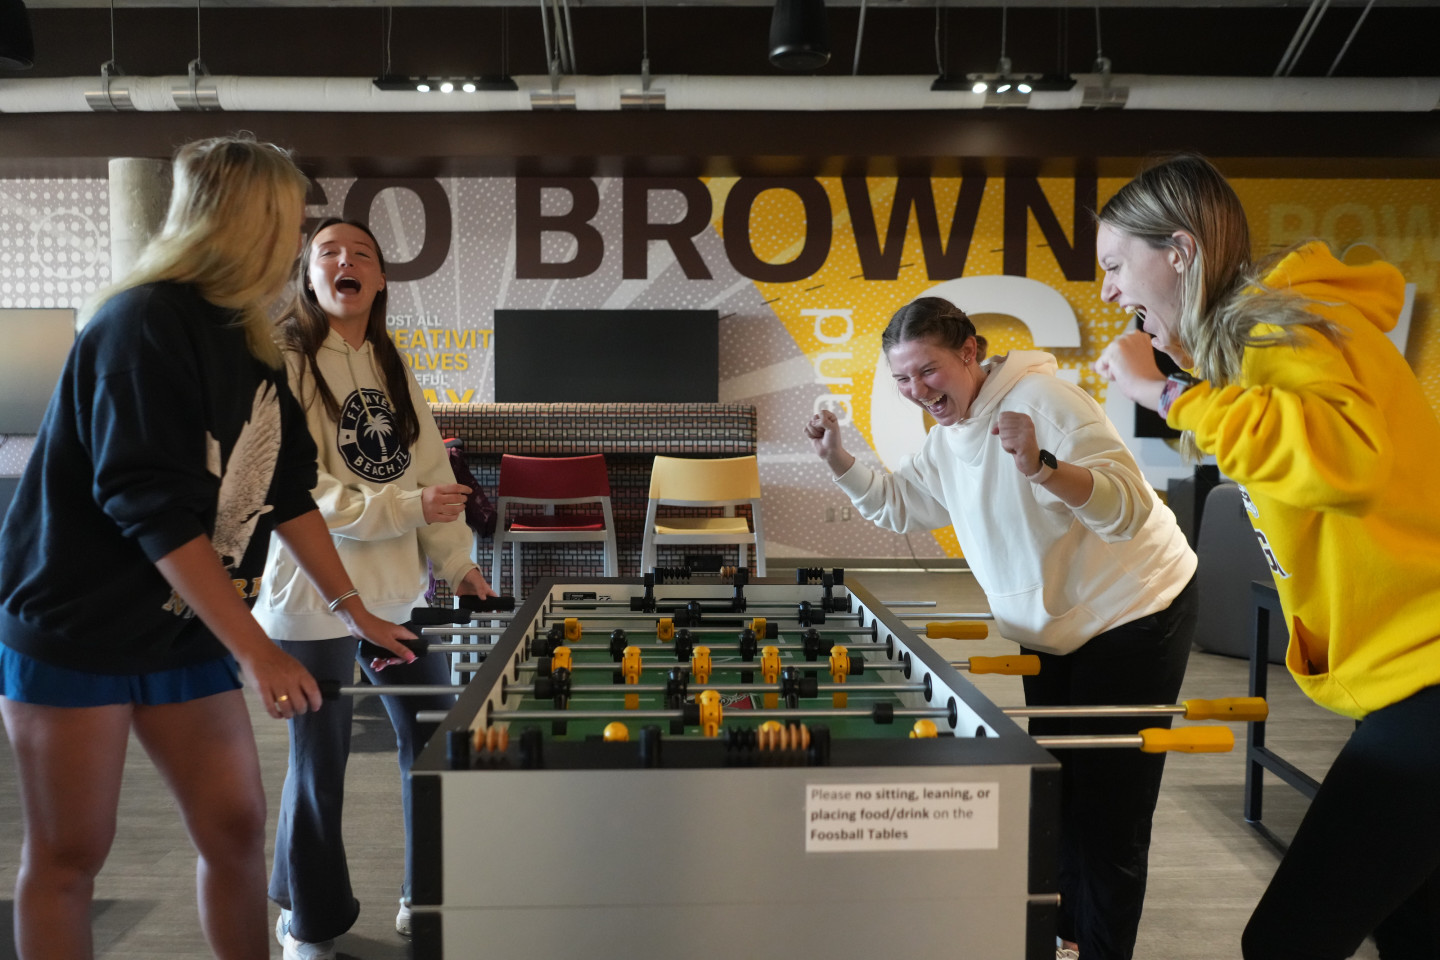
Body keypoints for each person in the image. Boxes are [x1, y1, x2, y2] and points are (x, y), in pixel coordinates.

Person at [0, 136, 417, 960]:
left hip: (182, 624)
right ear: (247, 223)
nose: (301, 244)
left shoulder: (247, 341)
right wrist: (259, 650)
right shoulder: (140, 323)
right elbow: (146, 505)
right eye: (294, 226)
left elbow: (288, 489)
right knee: (71, 853)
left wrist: (354, 609)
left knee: (235, 828)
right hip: (78, 627)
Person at [1093, 153, 1440, 960]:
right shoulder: (1271, 336)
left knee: (1286, 941)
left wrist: (1167, 395)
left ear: (1179, 251)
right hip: (1404, 680)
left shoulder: (1280, 329)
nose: (1109, 290)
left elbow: (1346, 461)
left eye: (1116, 265)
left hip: (1426, 679)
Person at [806, 297, 1198, 960]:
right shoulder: (949, 433)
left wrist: (1042, 464)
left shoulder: (1047, 402)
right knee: (1060, 790)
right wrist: (839, 459)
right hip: (1051, 626)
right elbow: (906, 506)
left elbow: (1129, 509)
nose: (917, 391)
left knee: (1109, 816)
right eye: (902, 379)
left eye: (928, 372)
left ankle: (1103, 951)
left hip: (1134, 610)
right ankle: (1069, 933)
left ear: (970, 351)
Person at [253, 217, 496, 960]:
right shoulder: (288, 361)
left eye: (362, 254)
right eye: (329, 252)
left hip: (397, 598)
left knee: (429, 742)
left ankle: (421, 894)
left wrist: (459, 564)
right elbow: (298, 489)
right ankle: (308, 922)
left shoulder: (394, 366)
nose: (346, 261)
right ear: (309, 276)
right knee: (317, 760)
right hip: (311, 601)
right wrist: (403, 508)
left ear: (381, 280)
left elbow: (433, 476)